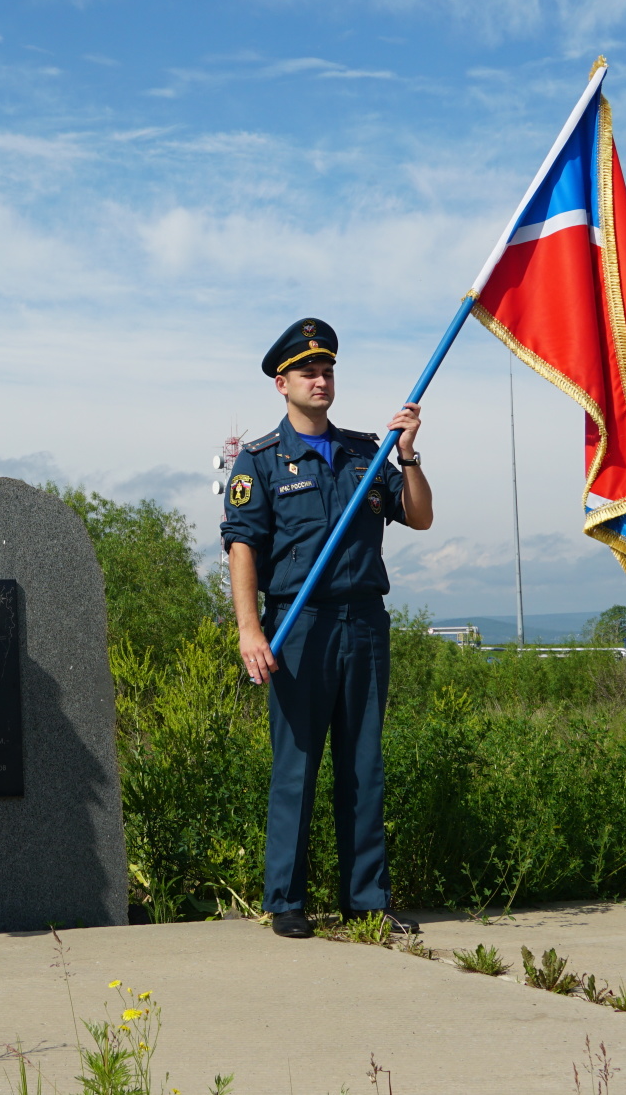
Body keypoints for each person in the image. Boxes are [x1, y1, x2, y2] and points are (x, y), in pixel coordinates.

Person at [220, 317, 432, 939]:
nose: (321, 379)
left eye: (328, 370)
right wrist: (250, 630)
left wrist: (409, 456)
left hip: (363, 622)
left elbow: (417, 516)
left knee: (364, 765)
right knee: (297, 764)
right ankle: (285, 900)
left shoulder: (368, 453)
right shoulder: (259, 461)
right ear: (281, 383)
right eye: (308, 371)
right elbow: (242, 550)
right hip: (299, 623)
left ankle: (366, 899)